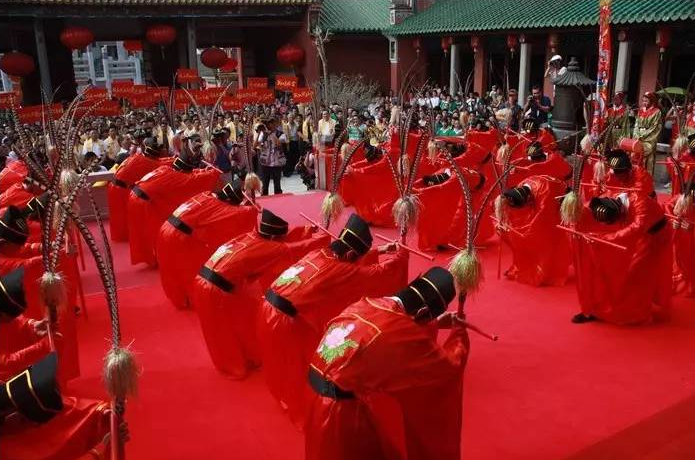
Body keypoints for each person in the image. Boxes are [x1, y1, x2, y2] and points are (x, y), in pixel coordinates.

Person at [258, 213, 409, 426]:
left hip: (265, 305)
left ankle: (284, 398)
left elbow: (348, 265)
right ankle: (303, 415)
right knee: (305, 362)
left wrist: (380, 251)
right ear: (349, 254)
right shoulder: (342, 269)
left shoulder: (319, 253)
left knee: (286, 360)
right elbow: (376, 274)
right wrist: (400, 258)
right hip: (283, 320)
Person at [305, 267, 470, 460]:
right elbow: (448, 367)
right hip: (342, 416)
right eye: (428, 318)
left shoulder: (366, 303)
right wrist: (459, 335)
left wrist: (434, 323)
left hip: (316, 398)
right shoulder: (406, 333)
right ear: (424, 311)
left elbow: (391, 328)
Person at [191, 210, 329, 378]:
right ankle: (233, 367)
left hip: (208, 280)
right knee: (222, 329)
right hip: (214, 289)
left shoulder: (251, 236)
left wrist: (306, 230)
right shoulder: (269, 247)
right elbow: (293, 248)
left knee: (245, 317)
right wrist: (321, 240)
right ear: (272, 238)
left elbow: (283, 240)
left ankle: (248, 355)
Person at [570, 193, 671, 325]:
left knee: (637, 272)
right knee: (620, 269)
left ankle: (636, 310)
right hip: (638, 234)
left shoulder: (641, 204)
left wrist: (604, 238)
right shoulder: (609, 197)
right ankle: (597, 309)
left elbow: (636, 229)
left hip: (656, 236)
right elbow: (588, 207)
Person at [155, 180, 257, 309]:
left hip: (165, 227)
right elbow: (241, 213)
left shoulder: (205, 194)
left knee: (170, 267)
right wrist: (252, 208)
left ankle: (179, 298)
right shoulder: (220, 206)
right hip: (178, 237)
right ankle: (192, 299)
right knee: (190, 266)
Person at [127, 133, 220, 267]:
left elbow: (191, 173)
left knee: (145, 232)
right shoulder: (179, 177)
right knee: (151, 231)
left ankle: (152, 257)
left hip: (137, 196)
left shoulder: (166, 168)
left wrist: (202, 170)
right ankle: (155, 258)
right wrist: (213, 172)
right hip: (141, 201)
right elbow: (192, 178)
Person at [498, 176, 571, 286]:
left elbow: (541, 219)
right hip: (543, 202)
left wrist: (524, 232)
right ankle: (523, 265)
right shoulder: (521, 185)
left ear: (528, 199)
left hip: (557, 204)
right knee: (518, 235)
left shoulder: (545, 192)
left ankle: (544, 272)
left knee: (545, 239)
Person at [107, 137, 170, 242]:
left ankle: (121, 236)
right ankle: (121, 237)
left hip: (116, 186)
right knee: (121, 216)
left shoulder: (139, 156)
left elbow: (159, 161)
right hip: (119, 189)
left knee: (120, 216)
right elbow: (160, 164)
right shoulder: (146, 161)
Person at [632, 91, 663, 174]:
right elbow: (636, 124)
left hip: (649, 140)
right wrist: (636, 134)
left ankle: (646, 180)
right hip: (638, 138)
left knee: (648, 161)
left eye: (646, 101)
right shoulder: (640, 111)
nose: (644, 103)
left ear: (652, 101)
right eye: (643, 101)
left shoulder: (657, 112)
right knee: (635, 157)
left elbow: (655, 128)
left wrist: (642, 135)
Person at [256, 119, 285, 196]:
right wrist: (259, 133)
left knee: (277, 186)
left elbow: (277, 143)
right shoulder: (263, 134)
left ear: (276, 124)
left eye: (273, 123)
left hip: (276, 163)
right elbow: (255, 145)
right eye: (269, 123)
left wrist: (271, 134)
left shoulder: (281, 134)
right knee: (265, 187)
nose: (271, 125)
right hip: (266, 163)